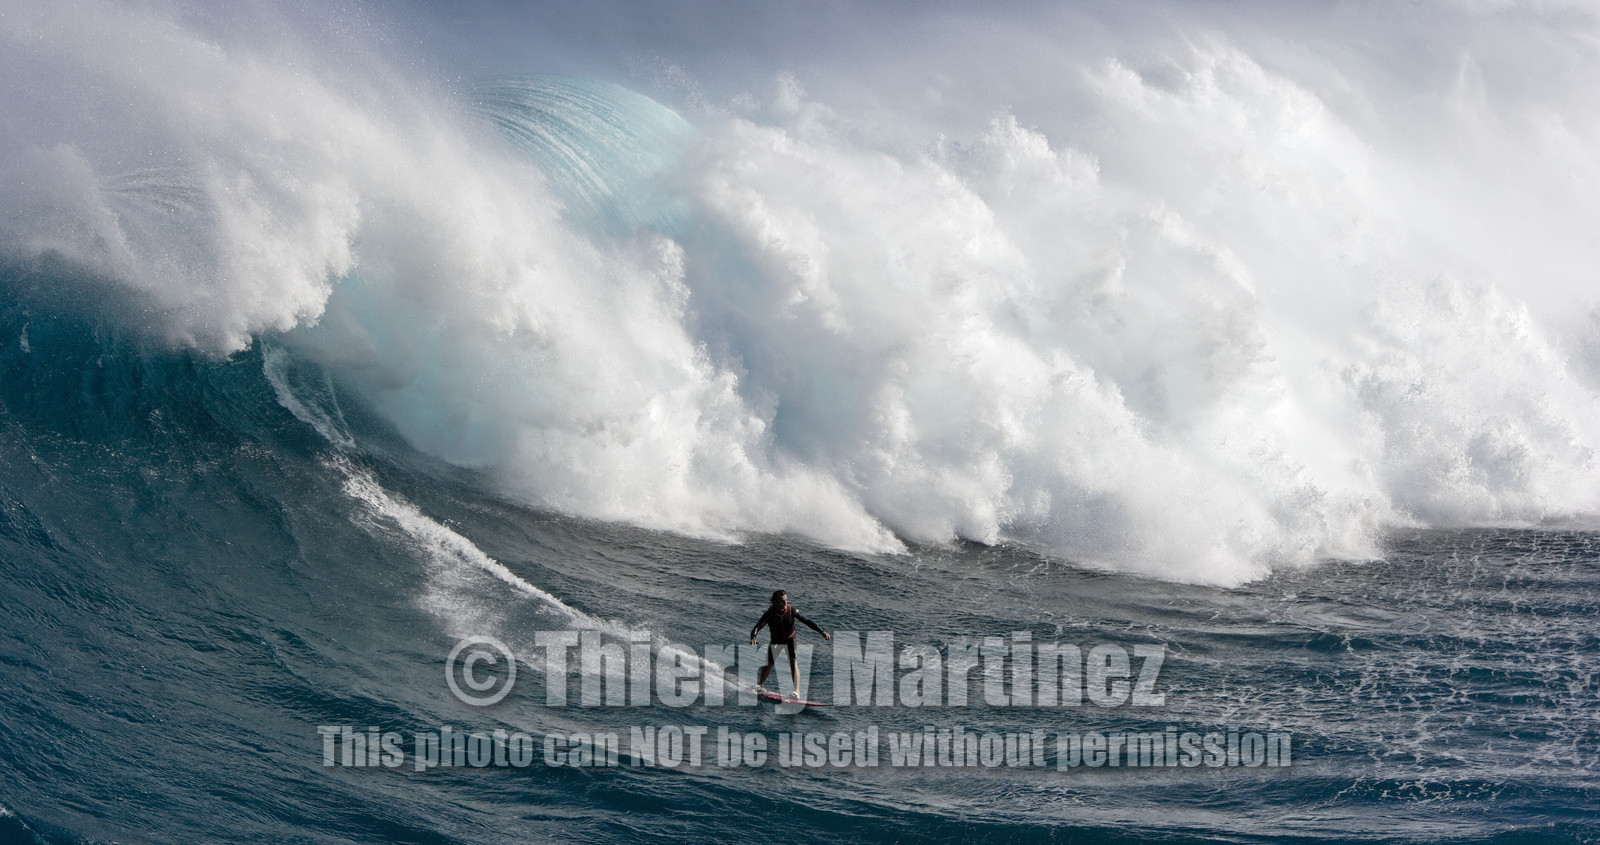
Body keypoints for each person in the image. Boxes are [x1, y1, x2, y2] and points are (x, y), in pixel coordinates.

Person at [749, 589, 829, 697]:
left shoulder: (792, 611)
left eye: (786, 600)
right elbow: (757, 626)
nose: (785, 603)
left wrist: (821, 631)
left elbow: (807, 621)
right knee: (768, 665)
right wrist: (753, 637)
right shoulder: (770, 613)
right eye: (782, 601)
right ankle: (760, 685)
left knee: (793, 663)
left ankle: (797, 691)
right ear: (776, 602)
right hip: (776, 641)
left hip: (790, 640)